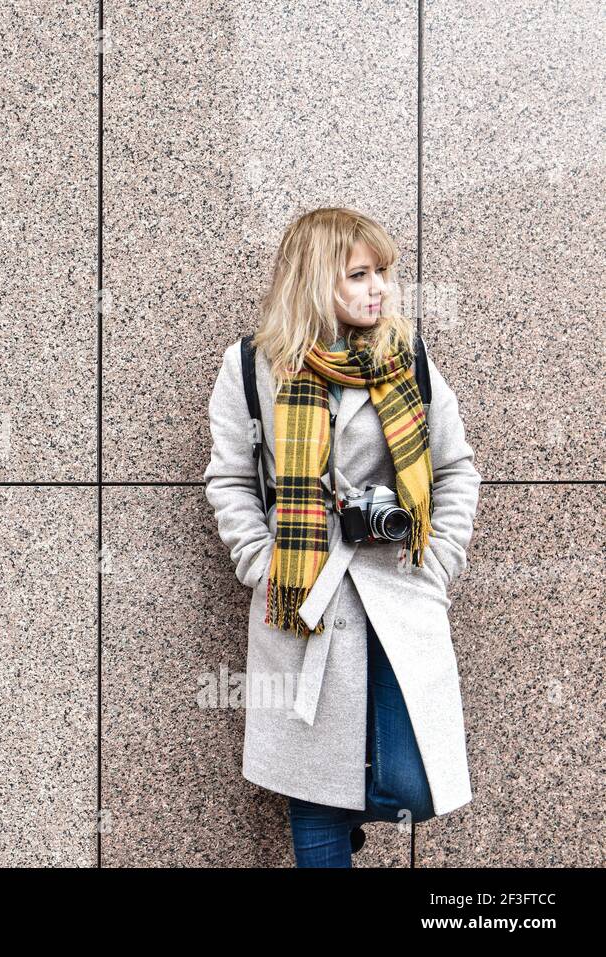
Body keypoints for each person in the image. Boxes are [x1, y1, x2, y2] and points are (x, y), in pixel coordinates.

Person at [202, 207, 482, 867]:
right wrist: (263, 565)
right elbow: (230, 480)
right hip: (303, 599)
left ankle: (346, 795)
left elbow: (455, 467)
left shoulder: (404, 357)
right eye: (359, 274)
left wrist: (437, 563)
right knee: (313, 800)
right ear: (316, 278)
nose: (379, 287)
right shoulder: (251, 366)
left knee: (412, 782)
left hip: (395, 592)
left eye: (382, 272)